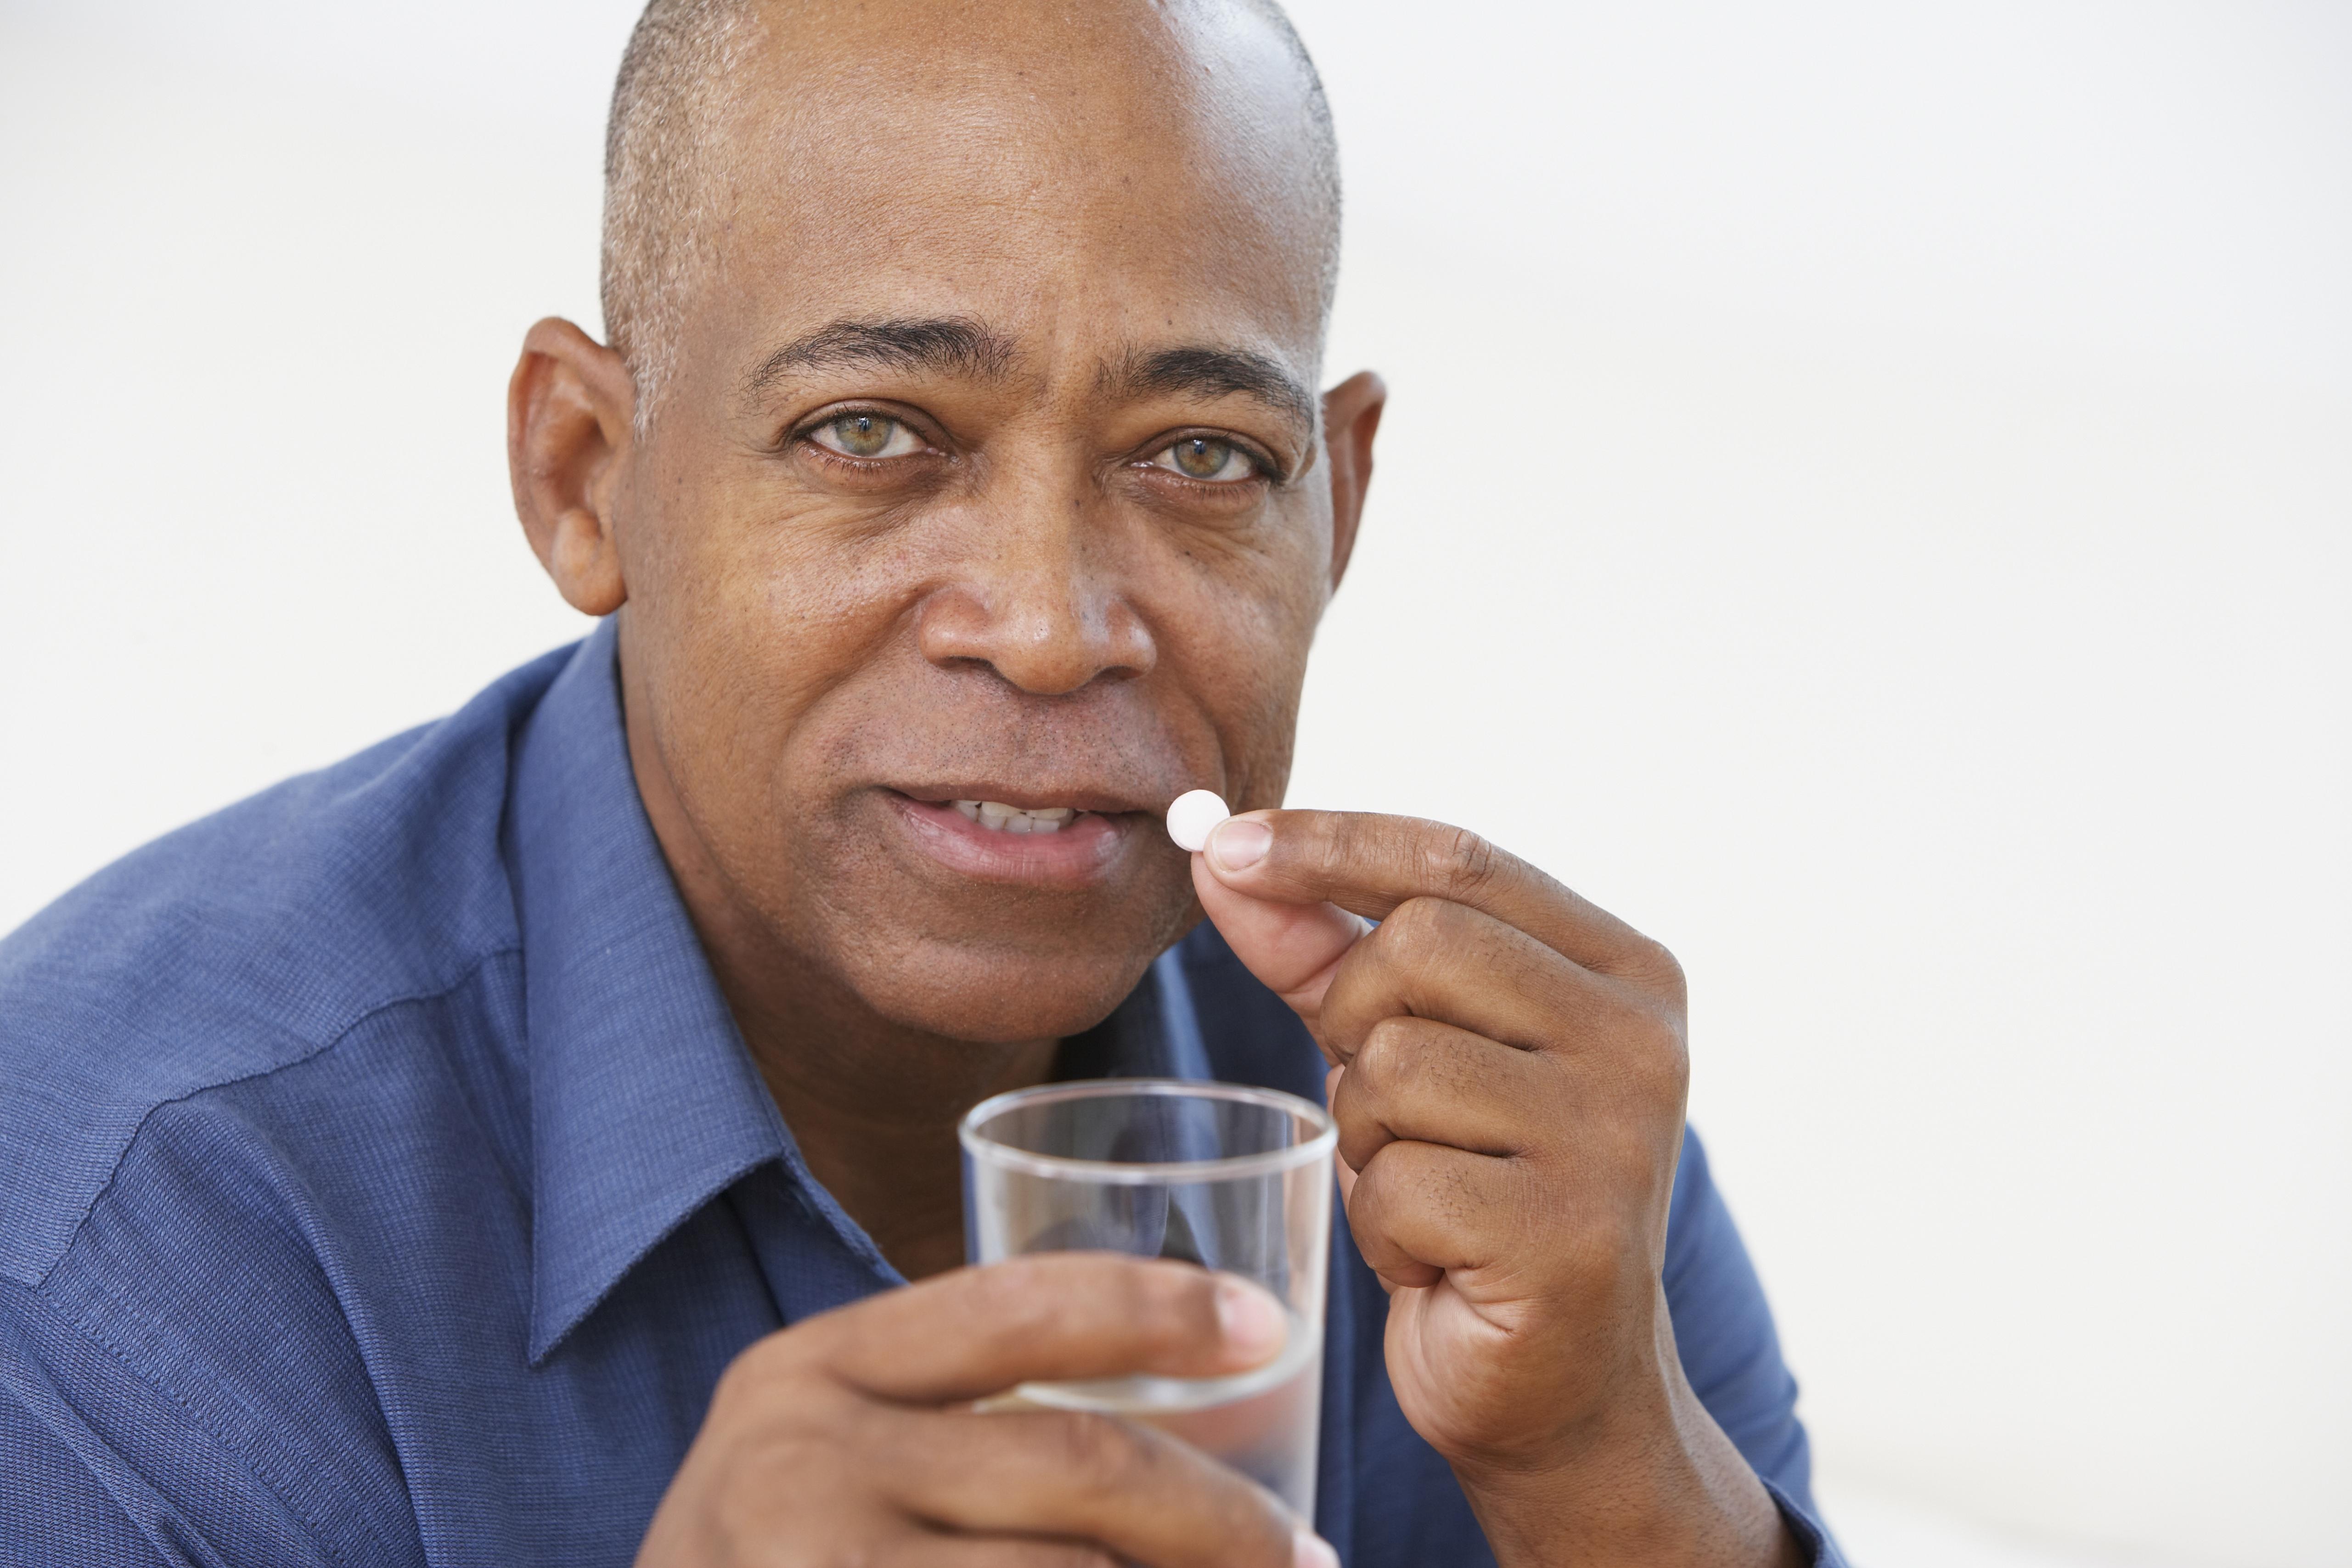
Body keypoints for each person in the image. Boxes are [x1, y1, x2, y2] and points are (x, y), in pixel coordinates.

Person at [0, 2, 1844, 1563]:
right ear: (584, 473)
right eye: (870, 432)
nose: (1051, 627)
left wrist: (1614, 1474)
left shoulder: (1490, 1134)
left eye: (1200, 452)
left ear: (1336, 505)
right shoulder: (123, 1232)